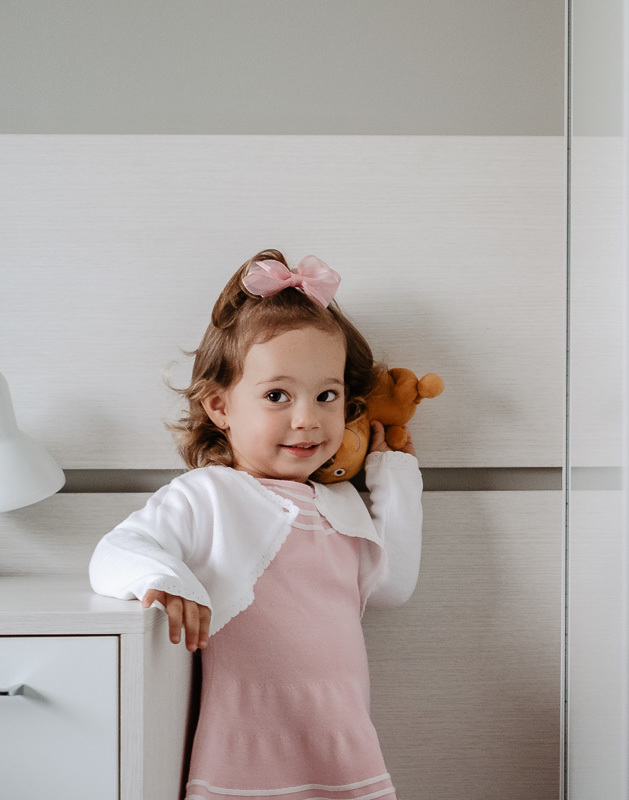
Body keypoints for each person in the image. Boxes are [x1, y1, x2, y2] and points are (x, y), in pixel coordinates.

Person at [90, 250, 420, 800]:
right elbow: (116, 550)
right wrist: (164, 577)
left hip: (342, 745)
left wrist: (396, 472)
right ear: (219, 406)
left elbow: (392, 585)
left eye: (327, 395)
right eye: (276, 396)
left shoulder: (338, 503)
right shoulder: (211, 494)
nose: (307, 418)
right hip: (245, 757)